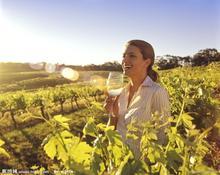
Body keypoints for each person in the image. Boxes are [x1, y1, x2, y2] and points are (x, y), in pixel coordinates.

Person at [104, 39, 170, 158]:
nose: (125, 60)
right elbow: (112, 132)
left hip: (140, 167)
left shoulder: (157, 92)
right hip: (117, 163)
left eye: (132, 56)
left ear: (147, 62)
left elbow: (162, 139)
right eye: (124, 56)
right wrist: (112, 115)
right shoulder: (121, 92)